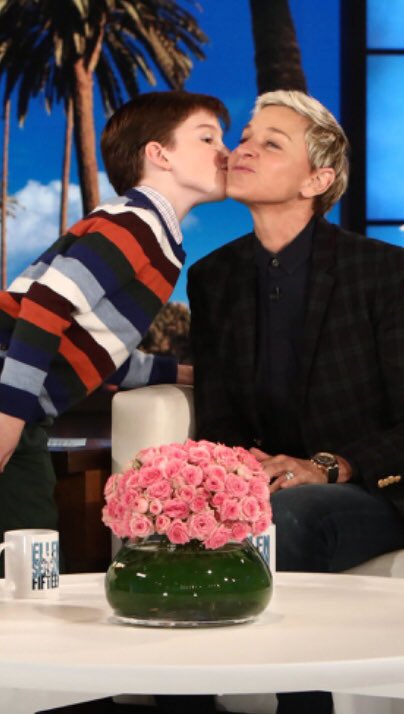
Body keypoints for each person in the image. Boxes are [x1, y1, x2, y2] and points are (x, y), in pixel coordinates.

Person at [188, 90, 404, 714]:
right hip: (271, 484)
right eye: (245, 137)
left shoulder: (383, 272)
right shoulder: (213, 277)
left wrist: (328, 466)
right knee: (174, 517)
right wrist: (238, 471)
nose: (244, 149)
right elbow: (220, 416)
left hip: (377, 488)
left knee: (291, 518)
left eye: (271, 143)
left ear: (318, 180)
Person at [0, 90, 230, 574]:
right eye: (207, 138)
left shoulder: (158, 237)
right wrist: (9, 416)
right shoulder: (136, 223)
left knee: (30, 557)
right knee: (31, 563)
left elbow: (93, 346)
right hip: (11, 399)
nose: (224, 152)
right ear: (159, 154)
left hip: (24, 411)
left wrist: (178, 373)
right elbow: (47, 302)